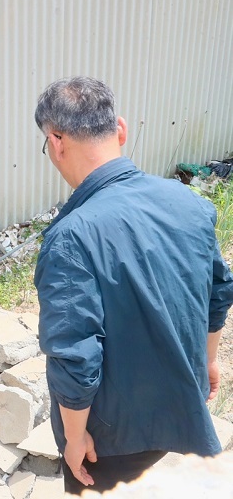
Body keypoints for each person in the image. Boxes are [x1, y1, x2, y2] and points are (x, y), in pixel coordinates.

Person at [33, 76, 233, 494]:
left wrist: (74, 437)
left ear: (56, 142)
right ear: (120, 129)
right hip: (180, 404)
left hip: (113, 437)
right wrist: (208, 361)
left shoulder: (71, 237)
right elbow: (218, 292)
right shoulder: (190, 203)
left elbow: (75, 353)